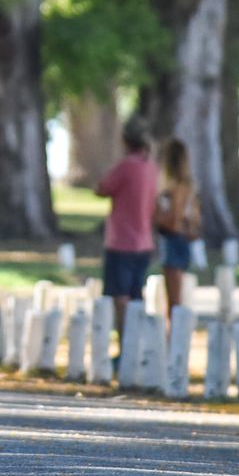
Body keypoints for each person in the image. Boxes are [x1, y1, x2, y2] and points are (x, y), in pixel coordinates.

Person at [94, 116, 158, 362]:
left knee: (120, 299)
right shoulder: (151, 166)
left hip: (121, 241)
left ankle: (125, 351)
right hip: (144, 241)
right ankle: (137, 347)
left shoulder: (126, 166)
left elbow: (102, 188)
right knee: (135, 296)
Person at [154, 137, 200, 314]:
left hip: (174, 241)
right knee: (174, 299)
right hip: (179, 241)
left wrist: (156, 218)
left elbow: (175, 221)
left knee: (174, 302)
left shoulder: (178, 188)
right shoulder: (188, 187)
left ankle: (173, 338)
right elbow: (195, 218)